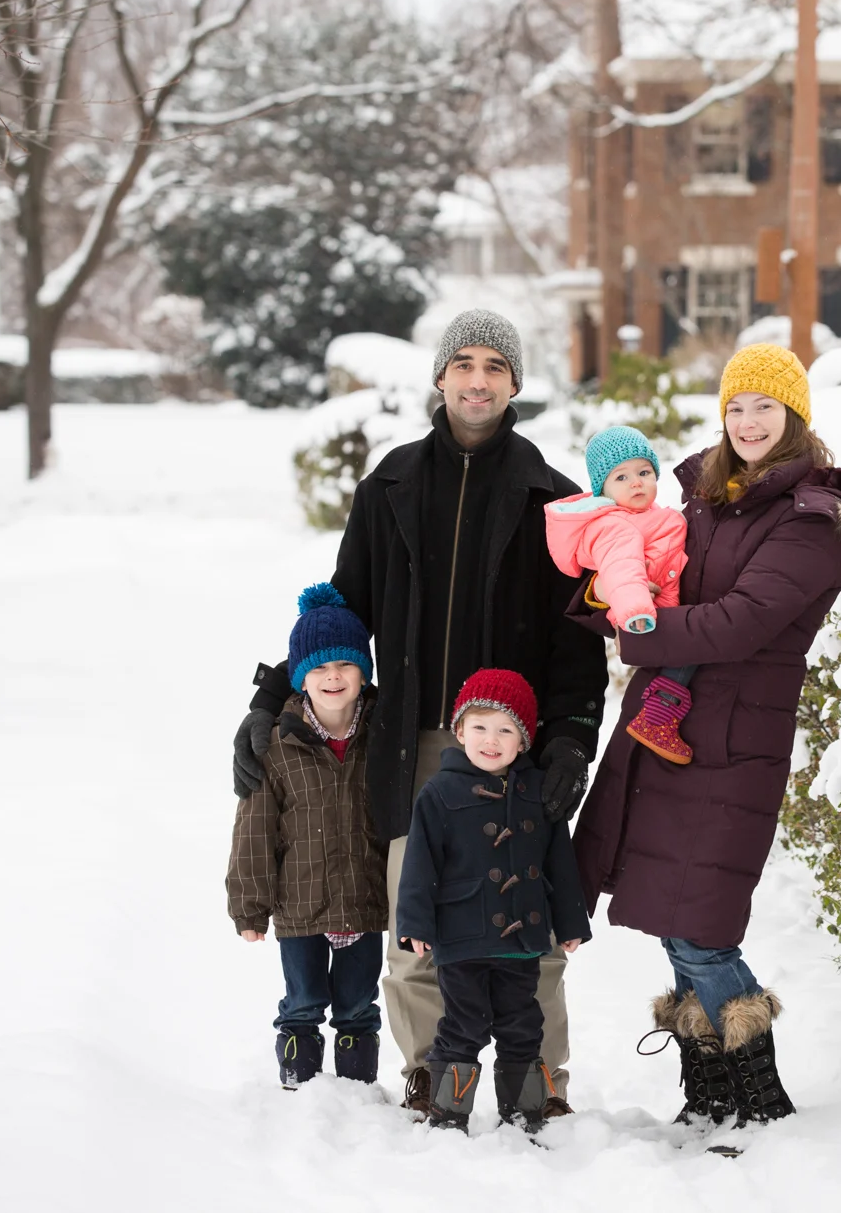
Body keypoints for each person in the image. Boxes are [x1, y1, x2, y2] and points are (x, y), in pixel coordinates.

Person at [229, 310, 607, 1118]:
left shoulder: (556, 499)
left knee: (529, 934)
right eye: (463, 363)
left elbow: (579, 643)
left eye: (494, 366)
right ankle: (439, 1074)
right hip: (415, 749)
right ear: (440, 378)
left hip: (514, 749)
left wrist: (572, 740)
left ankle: (536, 1078)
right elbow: (343, 612)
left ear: (513, 383)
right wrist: (273, 694)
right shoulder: (391, 486)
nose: (477, 379)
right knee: (417, 930)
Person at [569, 343, 841, 1129]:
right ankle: (710, 1092)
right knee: (673, 913)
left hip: (735, 737)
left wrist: (638, 628)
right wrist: (606, 588)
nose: (747, 421)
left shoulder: (810, 516)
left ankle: (760, 1101)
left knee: (701, 921)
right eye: (735, 407)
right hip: (670, 724)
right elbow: (658, 573)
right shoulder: (710, 497)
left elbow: (743, 622)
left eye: (764, 408)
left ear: (794, 418)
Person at [396, 669, 592, 1133]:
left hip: (521, 938)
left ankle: (523, 1115)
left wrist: (569, 923)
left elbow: (558, 864)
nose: (491, 739)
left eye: (506, 730)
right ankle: (448, 1113)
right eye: (480, 726)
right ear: (459, 730)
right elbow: (419, 866)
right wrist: (416, 924)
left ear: (523, 741)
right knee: (462, 1027)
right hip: (462, 939)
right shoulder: (439, 793)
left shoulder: (538, 792)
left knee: (524, 1027)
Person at [227, 583, 387, 1088]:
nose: (333, 677)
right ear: (299, 677)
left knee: (359, 1004)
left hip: (365, 900)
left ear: (363, 670)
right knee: (302, 1001)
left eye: (344, 665)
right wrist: (249, 906)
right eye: (318, 668)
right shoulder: (277, 744)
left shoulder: (382, 739)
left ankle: (358, 1092)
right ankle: (298, 1083)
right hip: (299, 907)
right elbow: (253, 833)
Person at [544, 424, 698, 763]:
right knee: (684, 660)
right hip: (642, 615)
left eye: (644, 471)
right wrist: (635, 610)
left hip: (663, 609)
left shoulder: (650, 516)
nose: (637, 482)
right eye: (622, 477)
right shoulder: (614, 526)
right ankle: (657, 722)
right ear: (604, 490)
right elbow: (622, 569)